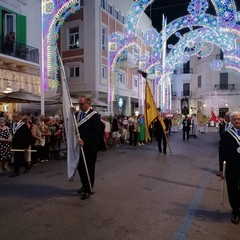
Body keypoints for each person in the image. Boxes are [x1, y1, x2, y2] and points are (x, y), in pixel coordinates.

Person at [76, 96, 102, 200]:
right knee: (80, 167)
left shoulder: (94, 116)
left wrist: (85, 140)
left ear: (88, 103)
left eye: (82, 104)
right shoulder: (77, 115)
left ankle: (88, 189)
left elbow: (96, 132)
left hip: (90, 147)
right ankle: (84, 185)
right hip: (79, 146)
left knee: (89, 168)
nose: (80, 106)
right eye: (79, 104)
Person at [219, 111, 240, 224]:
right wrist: (222, 170)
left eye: (239, 119)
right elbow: (222, 153)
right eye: (234, 119)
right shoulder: (226, 134)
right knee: (232, 190)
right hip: (232, 168)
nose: (237, 121)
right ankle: (235, 211)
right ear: (231, 121)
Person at [9, 112, 32, 177]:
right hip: (15, 144)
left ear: (19, 117)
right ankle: (26, 166)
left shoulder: (24, 125)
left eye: (15, 117)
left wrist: (26, 146)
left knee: (17, 158)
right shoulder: (13, 124)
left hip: (21, 144)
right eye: (13, 117)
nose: (13, 118)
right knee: (20, 157)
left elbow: (27, 137)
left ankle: (16, 171)